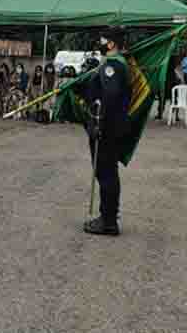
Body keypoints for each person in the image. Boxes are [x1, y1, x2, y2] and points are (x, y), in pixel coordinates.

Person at [79, 28, 131, 236]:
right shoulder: (113, 64)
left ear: (110, 44)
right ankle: (108, 216)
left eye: (102, 40)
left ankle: (108, 221)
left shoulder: (112, 65)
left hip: (107, 127)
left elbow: (109, 96)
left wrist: (99, 124)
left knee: (106, 173)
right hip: (110, 126)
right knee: (107, 172)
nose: (99, 43)